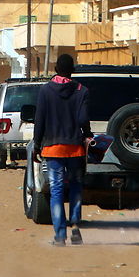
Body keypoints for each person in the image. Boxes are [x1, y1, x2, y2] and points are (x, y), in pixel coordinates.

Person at [33, 53, 91, 246]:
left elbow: (39, 121)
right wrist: (88, 134)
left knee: (56, 190)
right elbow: (83, 120)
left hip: (52, 150)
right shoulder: (81, 90)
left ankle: (59, 235)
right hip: (75, 149)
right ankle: (75, 226)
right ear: (72, 71)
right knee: (75, 186)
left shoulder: (45, 91)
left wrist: (36, 145)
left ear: (56, 69)